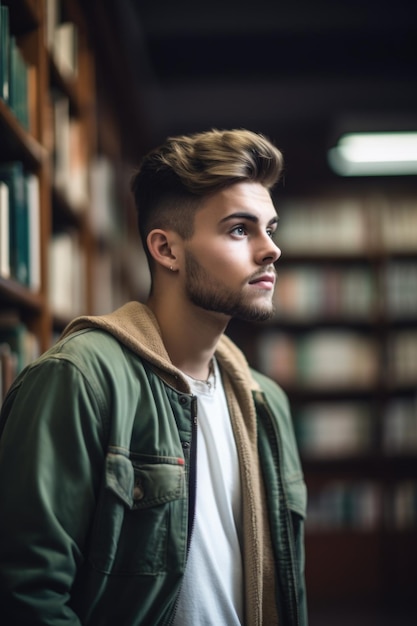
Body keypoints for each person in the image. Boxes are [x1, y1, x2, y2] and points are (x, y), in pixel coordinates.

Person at [0, 128, 308, 625]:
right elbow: (26, 593)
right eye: (238, 229)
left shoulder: (264, 402)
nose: (270, 249)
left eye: (270, 228)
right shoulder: (79, 378)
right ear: (166, 250)